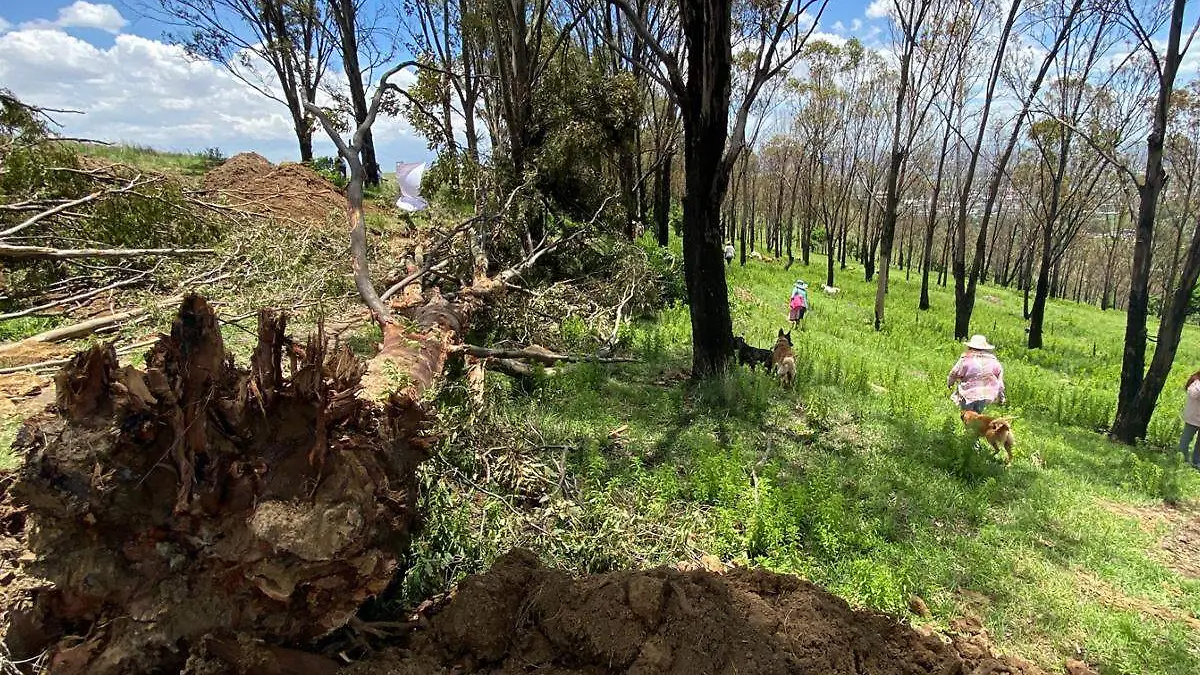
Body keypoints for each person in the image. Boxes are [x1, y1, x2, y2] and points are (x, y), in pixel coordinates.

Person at [947, 334, 1006, 413]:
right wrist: (1001, 396)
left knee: (966, 415)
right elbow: (1000, 381)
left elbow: (954, 373)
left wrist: (950, 384)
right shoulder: (993, 360)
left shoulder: (966, 358)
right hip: (985, 394)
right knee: (977, 415)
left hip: (968, 393)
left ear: (970, 347)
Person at [1178, 370, 1200, 468]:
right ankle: (1182, 460)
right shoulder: (1196, 383)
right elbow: (1193, 393)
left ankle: (1196, 461)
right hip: (1193, 418)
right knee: (1185, 440)